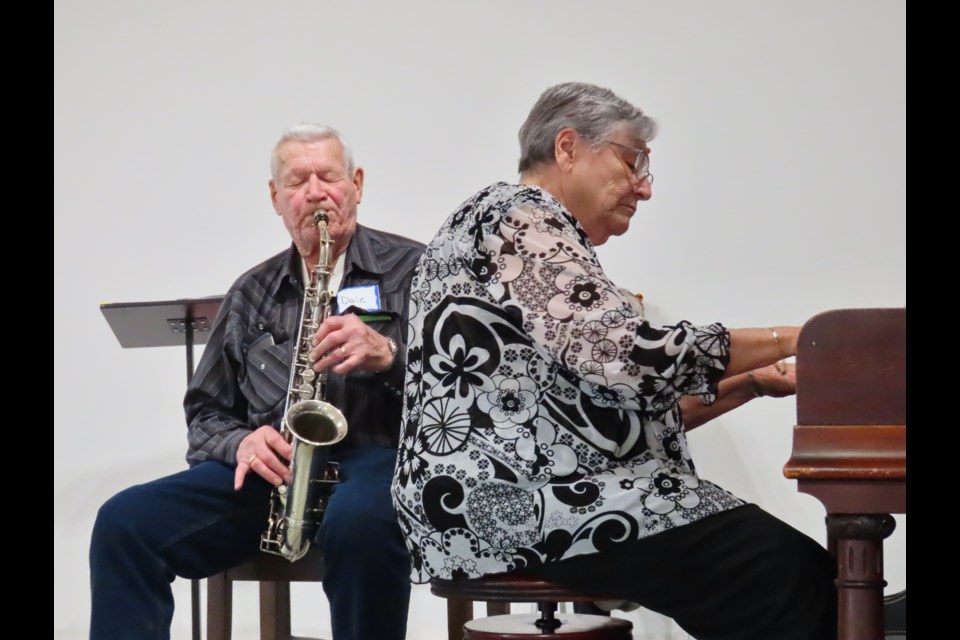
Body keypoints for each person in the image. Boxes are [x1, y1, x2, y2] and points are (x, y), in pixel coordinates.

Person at [390, 82, 837, 640]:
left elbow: (614, 408)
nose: (644, 188)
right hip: (507, 498)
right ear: (568, 148)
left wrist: (751, 383)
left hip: (516, 491)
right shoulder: (519, 217)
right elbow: (625, 352)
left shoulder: (518, 232)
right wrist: (798, 337)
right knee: (782, 571)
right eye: (632, 161)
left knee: (789, 570)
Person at [90, 123, 425, 640]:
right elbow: (205, 412)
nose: (314, 192)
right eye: (297, 181)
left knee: (360, 524)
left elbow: (465, 392)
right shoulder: (251, 291)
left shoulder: (415, 270)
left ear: (357, 183)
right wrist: (242, 441)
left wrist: (390, 355)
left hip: (379, 462)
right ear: (275, 198)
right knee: (123, 523)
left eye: (328, 177)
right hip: (278, 474)